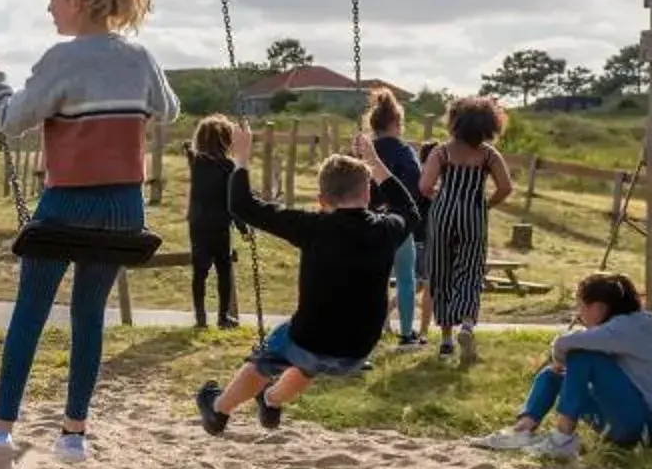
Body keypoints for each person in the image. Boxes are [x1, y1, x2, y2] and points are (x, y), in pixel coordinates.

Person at [0, 0, 181, 469]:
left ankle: (0, 437)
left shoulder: (59, 61)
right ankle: (73, 433)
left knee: (31, 312)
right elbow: (170, 109)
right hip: (122, 210)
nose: (49, 9)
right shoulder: (140, 59)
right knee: (89, 313)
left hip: (67, 205)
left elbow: (12, 120)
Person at [194, 124, 419, 434]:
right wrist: (375, 161)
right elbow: (409, 208)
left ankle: (218, 410)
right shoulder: (386, 230)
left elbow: (243, 206)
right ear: (367, 193)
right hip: (358, 350)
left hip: (310, 340)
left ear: (321, 199)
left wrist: (242, 159)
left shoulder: (313, 227)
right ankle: (271, 402)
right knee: (306, 361)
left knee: (270, 357)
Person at [476, 272, 652, 460]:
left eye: (582, 307)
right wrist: (558, 368)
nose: (579, 315)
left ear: (599, 307)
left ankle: (563, 437)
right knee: (554, 375)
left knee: (581, 354)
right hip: (633, 419)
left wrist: (560, 359)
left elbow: (564, 344)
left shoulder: (626, 327)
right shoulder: (625, 326)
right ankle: (522, 430)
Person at [418, 95, 515, 364]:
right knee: (471, 271)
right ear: (489, 125)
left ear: (455, 122)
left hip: (443, 215)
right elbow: (506, 187)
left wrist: (440, 198)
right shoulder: (488, 154)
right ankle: (468, 325)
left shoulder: (442, 152)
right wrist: (485, 205)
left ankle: (446, 339)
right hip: (474, 215)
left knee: (441, 272)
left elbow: (425, 186)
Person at [367, 86, 425, 349]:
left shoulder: (364, 150)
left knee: (373, 278)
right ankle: (406, 333)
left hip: (367, 219)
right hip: (399, 220)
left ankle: (371, 329)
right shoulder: (404, 152)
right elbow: (417, 184)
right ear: (395, 122)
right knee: (405, 278)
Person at [183, 114, 243, 332]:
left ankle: (200, 317)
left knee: (200, 270)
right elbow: (232, 201)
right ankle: (223, 316)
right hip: (220, 223)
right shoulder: (228, 166)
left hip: (197, 222)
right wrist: (243, 227)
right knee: (223, 269)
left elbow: (189, 148)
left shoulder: (196, 162)